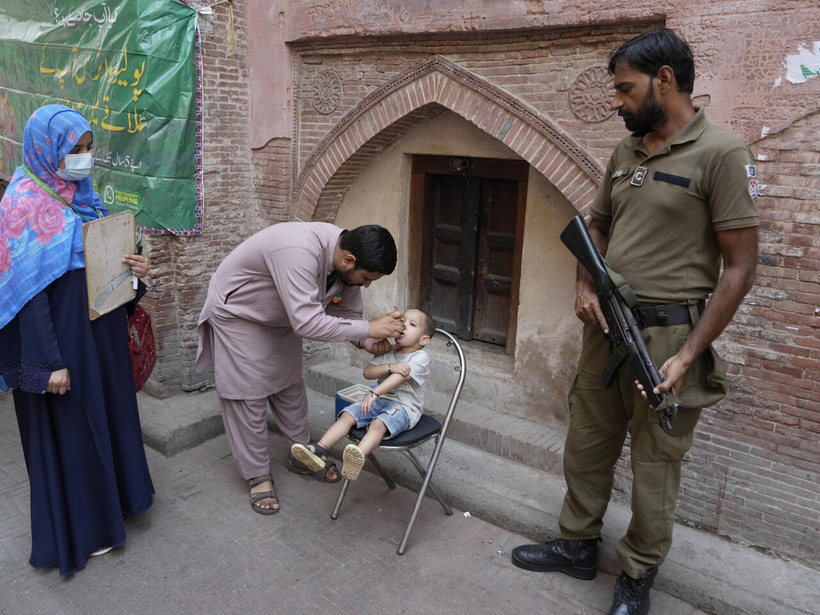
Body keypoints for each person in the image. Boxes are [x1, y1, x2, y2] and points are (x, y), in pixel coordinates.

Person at [511, 28, 758, 615]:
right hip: (607, 327)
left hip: (670, 338)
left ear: (664, 79)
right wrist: (582, 282)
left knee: (655, 466)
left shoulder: (723, 154)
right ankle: (576, 546)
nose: (616, 102)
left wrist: (690, 354)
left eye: (624, 89)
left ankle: (637, 574)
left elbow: (740, 269)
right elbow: (596, 226)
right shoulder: (625, 153)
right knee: (588, 442)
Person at [0, 105, 155, 575]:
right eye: (75, 150)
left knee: (106, 417)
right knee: (72, 430)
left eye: (88, 149)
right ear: (47, 149)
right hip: (61, 341)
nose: (84, 159)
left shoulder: (82, 196)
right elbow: (25, 295)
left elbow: (104, 263)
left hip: (100, 331)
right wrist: (48, 364)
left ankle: (121, 504)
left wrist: (136, 273)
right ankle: (84, 532)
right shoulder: (21, 204)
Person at [196, 222, 406, 515]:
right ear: (349, 261)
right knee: (248, 396)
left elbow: (347, 314)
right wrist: (369, 326)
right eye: (367, 278)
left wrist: (368, 340)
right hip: (239, 315)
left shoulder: (347, 261)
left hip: (282, 317)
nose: (368, 285)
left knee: (289, 386)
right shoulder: (297, 250)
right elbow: (307, 323)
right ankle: (257, 474)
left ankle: (304, 453)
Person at [291, 308, 434, 481]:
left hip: (404, 408)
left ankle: (358, 456)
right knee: (347, 415)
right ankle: (320, 449)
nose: (403, 325)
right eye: (402, 321)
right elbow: (368, 372)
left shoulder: (420, 357)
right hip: (379, 401)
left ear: (423, 339)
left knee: (378, 423)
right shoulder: (389, 352)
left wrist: (374, 392)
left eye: (412, 324)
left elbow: (399, 377)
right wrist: (389, 366)